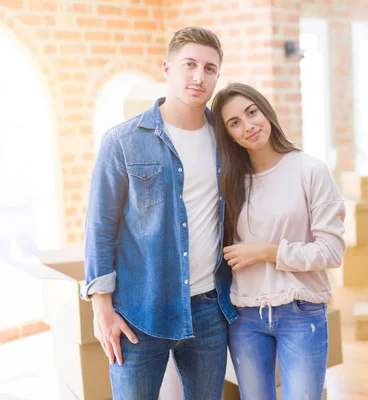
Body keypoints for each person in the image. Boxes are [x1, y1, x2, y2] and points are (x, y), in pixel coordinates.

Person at [81, 26, 237, 400]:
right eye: (190, 64)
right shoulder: (123, 140)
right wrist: (101, 307)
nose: (200, 77)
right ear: (167, 68)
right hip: (138, 313)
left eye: (210, 68)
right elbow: (100, 226)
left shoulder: (227, 140)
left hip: (209, 311)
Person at [211, 83, 346, 400]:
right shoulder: (229, 183)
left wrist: (266, 252)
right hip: (245, 317)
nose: (248, 126)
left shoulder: (310, 170)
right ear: (228, 135)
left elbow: (332, 251)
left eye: (251, 112)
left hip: (300, 313)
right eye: (235, 123)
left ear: (265, 111)